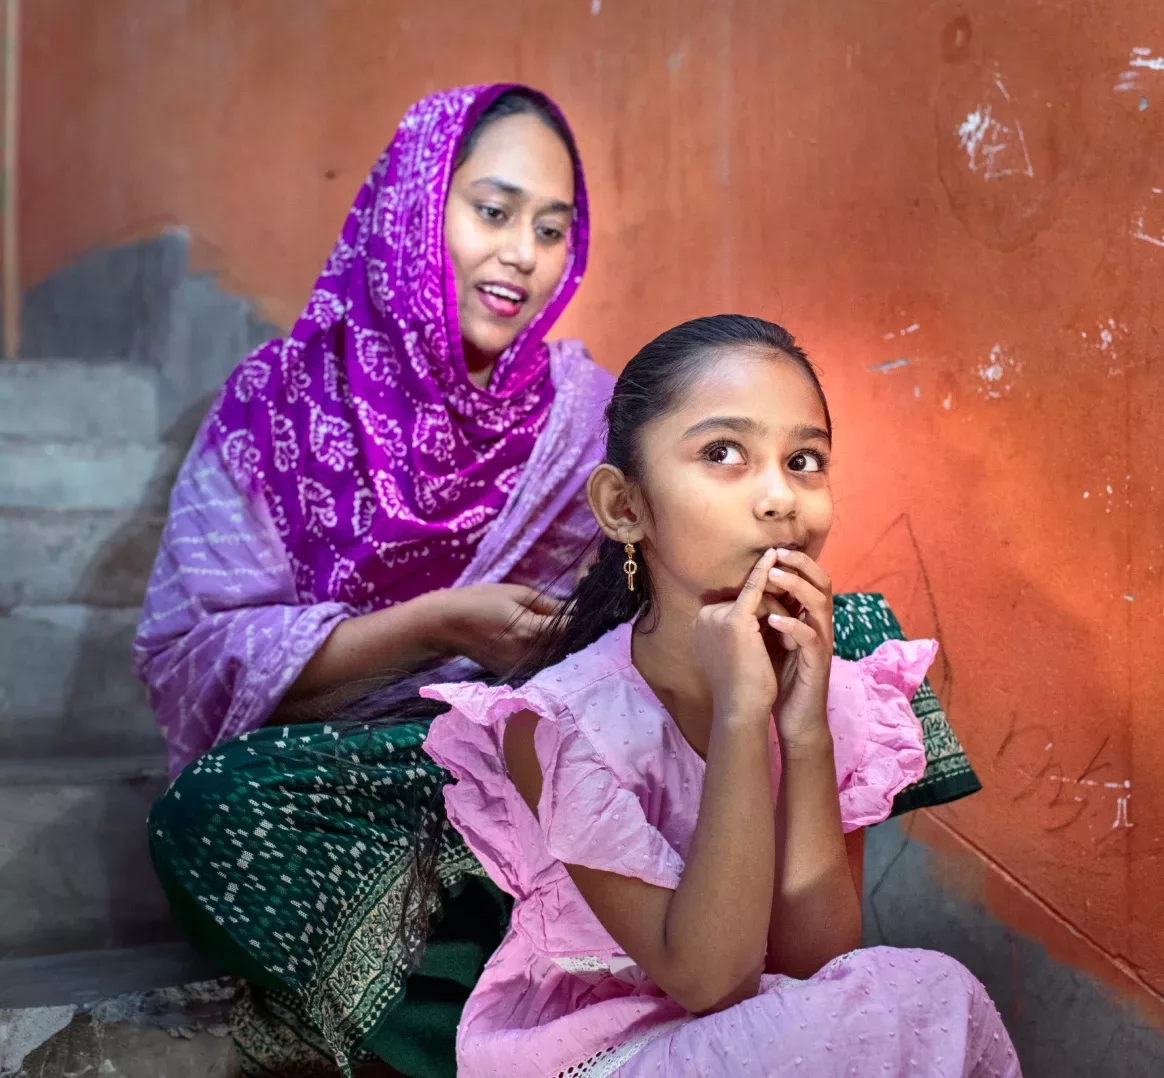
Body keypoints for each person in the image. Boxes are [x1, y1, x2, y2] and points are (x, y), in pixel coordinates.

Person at [138, 84, 612, 1077]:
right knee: (209, 817)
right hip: (339, 792)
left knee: (840, 653)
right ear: (414, 207)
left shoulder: (583, 421)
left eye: (552, 229)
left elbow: (634, 617)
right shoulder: (277, 406)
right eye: (492, 210)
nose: (522, 253)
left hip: (520, 788)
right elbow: (193, 655)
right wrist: (436, 625)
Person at [421, 315, 1020, 1076]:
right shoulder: (564, 725)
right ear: (624, 508)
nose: (779, 498)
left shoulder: (831, 692)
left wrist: (804, 734)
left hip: (767, 1039)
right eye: (723, 453)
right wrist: (742, 714)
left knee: (933, 990)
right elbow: (709, 979)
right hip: (607, 1053)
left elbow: (815, 967)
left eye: (805, 460)